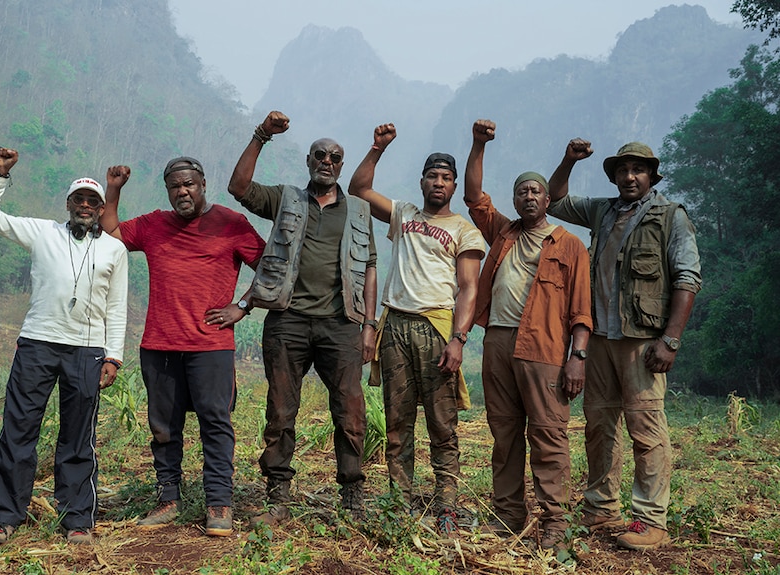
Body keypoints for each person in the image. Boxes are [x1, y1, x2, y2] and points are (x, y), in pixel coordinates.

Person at [547, 138, 701, 550]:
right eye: (622, 170)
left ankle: (651, 520)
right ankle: (601, 508)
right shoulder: (603, 210)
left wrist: (670, 340)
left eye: (638, 170)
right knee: (599, 426)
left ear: (651, 175)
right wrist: (568, 160)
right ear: (614, 176)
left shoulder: (671, 216)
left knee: (645, 428)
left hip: (642, 341)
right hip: (599, 339)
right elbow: (555, 200)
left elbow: (687, 279)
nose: (629, 176)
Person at [100, 157, 265, 537]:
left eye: (189, 184)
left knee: (215, 424)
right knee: (164, 428)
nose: (182, 192)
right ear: (168, 190)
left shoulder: (231, 223)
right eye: (175, 186)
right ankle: (168, 500)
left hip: (211, 346)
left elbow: (271, 266)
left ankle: (219, 504)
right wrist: (114, 189)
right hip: (159, 344)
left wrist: (242, 306)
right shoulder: (155, 224)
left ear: (203, 183)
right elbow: (111, 233)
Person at [226, 111, 378, 525]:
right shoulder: (286, 199)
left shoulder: (360, 212)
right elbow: (238, 187)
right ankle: (278, 497)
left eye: (334, 157)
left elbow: (370, 270)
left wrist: (369, 326)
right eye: (319, 155)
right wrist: (261, 136)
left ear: (341, 166)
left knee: (350, 410)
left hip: (341, 324)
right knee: (280, 409)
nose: (326, 162)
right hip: (287, 321)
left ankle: (352, 495)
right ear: (309, 162)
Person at [0, 147, 128, 546]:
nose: (85, 205)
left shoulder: (114, 249)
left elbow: (117, 307)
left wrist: (114, 355)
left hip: (87, 350)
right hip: (38, 344)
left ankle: (77, 519)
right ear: (68, 204)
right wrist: (0, 174)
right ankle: (5, 515)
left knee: (78, 437)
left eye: (92, 201)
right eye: (78, 199)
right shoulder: (44, 232)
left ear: (99, 209)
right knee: (19, 429)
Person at [347, 122, 484, 536]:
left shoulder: (464, 229)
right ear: (421, 181)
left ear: (455, 185)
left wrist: (459, 340)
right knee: (397, 422)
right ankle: (399, 502)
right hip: (396, 328)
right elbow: (358, 189)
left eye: (446, 177)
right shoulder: (404, 213)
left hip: (437, 328)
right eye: (432, 176)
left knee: (442, 425)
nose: (438, 183)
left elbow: (468, 289)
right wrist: (377, 148)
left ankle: (447, 506)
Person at [462, 120, 592, 550]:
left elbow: (581, 310)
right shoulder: (503, 231)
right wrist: (478, 145)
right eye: (522, 191)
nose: (529, 196)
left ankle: (555, 522)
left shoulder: (569, 244)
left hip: (546, 348)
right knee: (504, 432)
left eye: (536, 191)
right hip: (498, 342)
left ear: (548, 198)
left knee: (549, 433)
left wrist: (578, 358)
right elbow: (474, 197)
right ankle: (508, 516)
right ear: (515, 199)